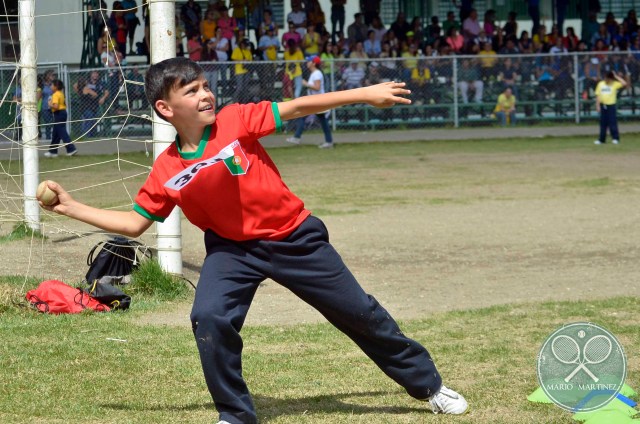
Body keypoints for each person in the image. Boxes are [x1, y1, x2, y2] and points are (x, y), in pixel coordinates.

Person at [38, 55, 468, 424]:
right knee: (209, 317)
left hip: (294, 238)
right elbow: (135, 224)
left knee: (359, 313)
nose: (206, 95)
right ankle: (235, 414)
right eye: (192, 91)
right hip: (232, 251)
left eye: (206, 86)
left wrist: (364, 94)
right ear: (166, 108)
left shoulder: (236, 121)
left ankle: (429, 386)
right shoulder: (167, 169)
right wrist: (69, 207)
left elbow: (297, 107)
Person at [286, 56, 333, 148]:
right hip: (315, 100)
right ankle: (328, 141)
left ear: (314, 63)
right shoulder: (314, 73)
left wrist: (306, 84)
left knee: (321, 121)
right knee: (318, 120)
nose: (307, 63)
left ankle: (297, 137)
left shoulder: (317, 74)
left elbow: (317, 87)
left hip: (318, 101)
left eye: (309, 61)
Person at [44, 79, 78, 157]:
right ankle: (53, 151)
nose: (51, 86)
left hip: (59, 113)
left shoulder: (55, 94)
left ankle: (71, 149)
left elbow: (56, 106)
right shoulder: (60, 93)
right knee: (56, 134)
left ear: (56, 87)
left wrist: (50, 104)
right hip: (62, 113)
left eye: (52, 85)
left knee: (62, 132)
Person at [594, 71, 628, 145]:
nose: (607, 80)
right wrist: (597, 105)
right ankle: (601, 139)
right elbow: (598, 95)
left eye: (609, 79)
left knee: (612, 122)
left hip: (611, 106)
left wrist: (616, 76)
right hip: (603, 106)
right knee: (603, 123)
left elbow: (624, 83)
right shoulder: (600, 84)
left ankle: (615, 138)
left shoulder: (614, 84)